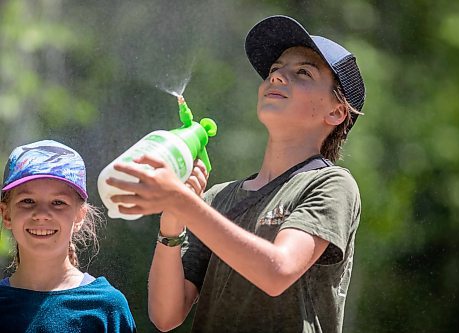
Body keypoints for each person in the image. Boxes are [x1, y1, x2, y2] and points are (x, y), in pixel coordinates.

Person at [107, 15, 366, 333]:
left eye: (302, 72)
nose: (278, 77)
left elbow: (278, 272)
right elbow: (166, 315)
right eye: (275, 70)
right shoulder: (218, 198)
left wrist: (185, 203)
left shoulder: (331, 184)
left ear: (336, 112)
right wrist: (172, 220)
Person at [0, 140, 137, 333]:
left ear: (79, 215)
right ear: (6, 215)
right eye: (27, 201)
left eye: (58, 202)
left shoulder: (107, 307)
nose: (41, 214)